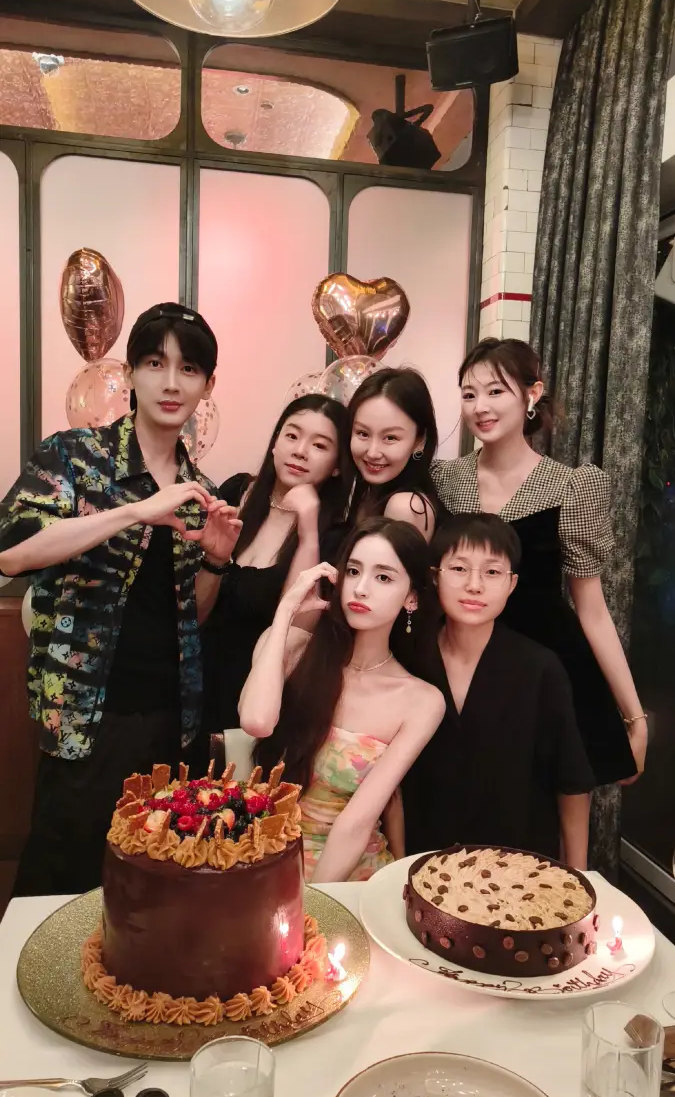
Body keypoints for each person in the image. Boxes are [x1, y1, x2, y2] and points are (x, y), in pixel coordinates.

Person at [0, 303, 240, 895]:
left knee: (152, 883)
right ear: (130, 373)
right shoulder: (73, 455)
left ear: (208, 385)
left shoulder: (200, 493)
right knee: (63, 877)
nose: (170, 383)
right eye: (155, 363)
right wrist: (136, 510)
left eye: (188, 369)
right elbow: (13, 552)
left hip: (170, 718)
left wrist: (215, 559)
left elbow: (191, 614)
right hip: (84, 714)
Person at [432, 338, 643, 793]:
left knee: (552, 801)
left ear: (532, 394)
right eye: (469, 394)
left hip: (548, 664)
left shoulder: (571, 486)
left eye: (495, 391)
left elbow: (592, 609)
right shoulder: (444, 480)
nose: (480, 407)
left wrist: (634, 714)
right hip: (457, 663)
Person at [238, 518, 445, 881]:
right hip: (263, 856)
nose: (361, 589)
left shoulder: (422, 701)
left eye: (383, 577)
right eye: (353, 571)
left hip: (346, 874)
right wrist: (286, 611)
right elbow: (256, 722)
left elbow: (357, 822)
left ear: (411, 597)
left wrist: (315, 904)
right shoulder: (291, 649)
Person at [402, 513, 594, 867]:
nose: (474, 585)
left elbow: (571, 781)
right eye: (459, 569)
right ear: (435, 576)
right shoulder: (408, 657)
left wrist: (578, 874)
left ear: (512, 584)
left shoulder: (539, 668)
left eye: (492, 572)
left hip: (516, 866)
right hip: (422, 861)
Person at [197, 394, 351, 738]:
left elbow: (296, 632)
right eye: (292, 435)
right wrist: (216, 560)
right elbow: (195, 613)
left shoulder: (335, 536)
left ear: (337, 465)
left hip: (257, 703)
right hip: (195, 683)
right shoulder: (236, 493)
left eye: (320, 445)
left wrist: (308, 529)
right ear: (275, 444)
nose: (300, 451)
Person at [347, 368, 443, 542]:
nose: (372, 452)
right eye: (363, 433)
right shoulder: (364, 490)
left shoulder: (406, 507)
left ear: (420, 441)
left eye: (390, 438)